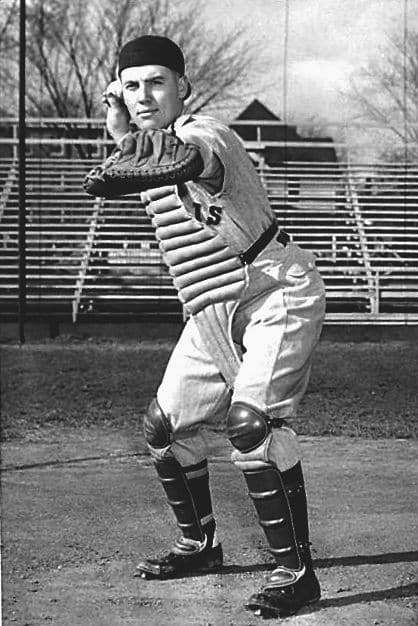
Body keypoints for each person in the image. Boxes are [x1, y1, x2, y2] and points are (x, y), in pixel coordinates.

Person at [96, 34, 326, 619]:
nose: (144, 94)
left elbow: (193, 158)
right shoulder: (144, 145)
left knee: (252, 425)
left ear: (183, 87)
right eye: (132, 84)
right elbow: (149, 152)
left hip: (273, 288)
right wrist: (125, 138)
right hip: (210, 309)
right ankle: (201, 545)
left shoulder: (207, 132)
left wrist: (138, 147)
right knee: (164, 429)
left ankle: (296, 573)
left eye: (157, 82)